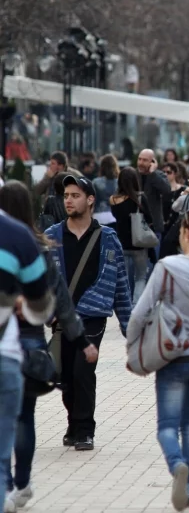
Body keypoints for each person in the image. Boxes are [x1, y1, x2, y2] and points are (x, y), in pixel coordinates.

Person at [128, 210, 189, 512]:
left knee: (168, 426)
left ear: (186, 233)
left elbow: (140, 313)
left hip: (174, 355)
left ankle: (177, 465)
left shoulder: (168, 266)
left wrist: (133, 346)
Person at [0, 181, 88, 511]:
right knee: (23, 417)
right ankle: (21, 482)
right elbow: (60, 300)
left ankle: (7, 485)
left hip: (9, 338)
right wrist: (80, 340)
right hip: (31, 340)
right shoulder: (38, 248)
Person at [45, 175, 132, 452]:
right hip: (62, 318)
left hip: (93, 315)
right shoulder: (52, 237)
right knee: (66, 376)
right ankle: (73, 423)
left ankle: (84, 429)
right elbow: (40, 280)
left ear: (90, 200)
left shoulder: (107, 238)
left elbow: (120, 283)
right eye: (66, 195)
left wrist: (128, 324)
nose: (68, 200)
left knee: (83, 372)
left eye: (75, 195)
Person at [0, 184, 56, 512]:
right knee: (22, 418)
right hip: (24, 342)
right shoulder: (30, 242)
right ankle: (18, 482)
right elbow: (49, 299)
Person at [109, 167, 156, 304]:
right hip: (139, 243)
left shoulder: (113, 199)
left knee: (123, 279)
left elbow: (116, 216)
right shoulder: (140, 198)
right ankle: (136, 307)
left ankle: (126, 308)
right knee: (140, 277)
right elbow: (149, 219)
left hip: (121, 243)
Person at [137, 149, 172, 239]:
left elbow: (167, 190)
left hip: (154, 226)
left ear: (152, 162)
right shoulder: (133, 174)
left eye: (145, 160)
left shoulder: (158, 175)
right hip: (135, 226)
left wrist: (152, 173)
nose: (141, 162)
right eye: (139, 159)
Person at [91, 154, 119, 227]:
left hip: (98, 215)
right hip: (115, 216)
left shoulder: (95, 182)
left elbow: (92, 202)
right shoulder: (119, 182)